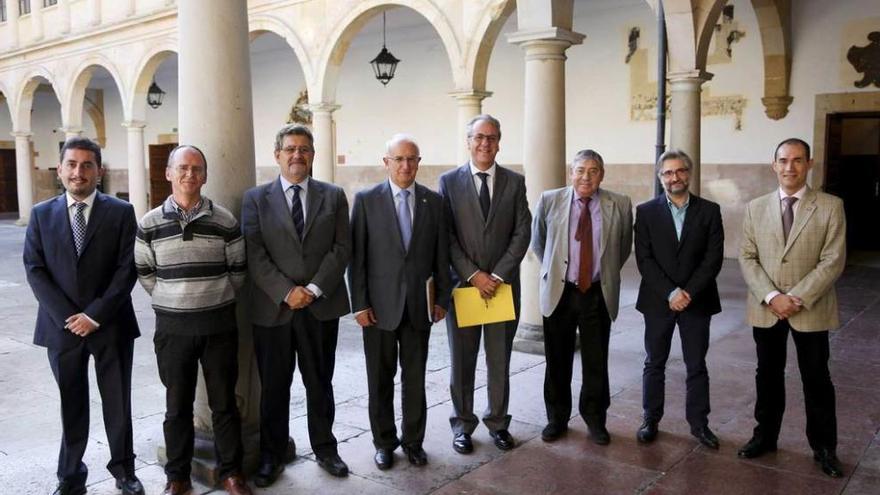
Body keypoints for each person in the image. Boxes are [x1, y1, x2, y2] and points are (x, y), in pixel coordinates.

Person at [23, 137, 144, 495]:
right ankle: (71, 476)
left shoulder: (121, 212)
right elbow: (35, 269)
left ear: (99, 171)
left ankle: (125, 471)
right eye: (71, 165)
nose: (79, 172)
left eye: (87, 165)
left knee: (118, 403)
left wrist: (94, 316)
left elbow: (127, 269)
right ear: (59, 169)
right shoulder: (41, 215)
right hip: (61, 331)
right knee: (71, 403)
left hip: (111, 326)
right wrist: (70, 317)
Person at [134, 145, 251, 495]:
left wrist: (211, 297)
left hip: (219, 327)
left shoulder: (225, 220)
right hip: (173, 330)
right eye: (182, 168)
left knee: (224, 404)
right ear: (168, 173)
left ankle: (232, 473)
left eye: (197, 168)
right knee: (177, 406)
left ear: (205, 175)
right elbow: (145, 273)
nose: (190, 174)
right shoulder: (149, 223)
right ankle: (178, 477)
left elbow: (238, 272)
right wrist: (175, 298)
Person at [241, 124, 351, 487]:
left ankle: (325, 448)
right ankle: (272, 455)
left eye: (304, 149)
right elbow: (254, 252)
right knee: (274, 386)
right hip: (274, 309)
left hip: (320, 307)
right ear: (277, 155)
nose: (297, 155)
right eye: (290, 149)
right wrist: (287, 292)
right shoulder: (255, 198)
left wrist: (315, 288)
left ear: (313, 155)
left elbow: (341, 248)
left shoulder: (333, 196)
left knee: (320, 381)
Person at [738, 138, 846, 478]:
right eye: (783, 160)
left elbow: (833, 260)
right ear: (774, 165)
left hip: (810, 309)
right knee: (767, 375)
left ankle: (824, 447)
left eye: (797, 160)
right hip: (766, 309)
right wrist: (772, 296)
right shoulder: (756, 207)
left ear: (809, 164)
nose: (790, 167)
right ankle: (765, 437)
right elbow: (747, 257)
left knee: (816, 378)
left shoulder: (830, 206)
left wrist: (795, 297)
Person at [348, 134, 452, 470]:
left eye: (412, 159)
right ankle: (384, 442)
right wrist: (360, 305)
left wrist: (442, 301)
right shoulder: (366, 200)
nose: (406, 165)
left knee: (415, 378)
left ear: (418, 163)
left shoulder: (433, 203)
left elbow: (442, 256)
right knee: (379, 379)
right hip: (378, 309)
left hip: (419, 308)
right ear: (386, 162)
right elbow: (357, 258)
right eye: (399, 159)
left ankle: (413, 442)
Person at [439, 114, 531, 454]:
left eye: (491, 137)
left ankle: (498, 423)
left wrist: (498, 274)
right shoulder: (449, 182)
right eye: (478, 137)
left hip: (502, 289)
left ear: (499, 142)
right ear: (468, 141)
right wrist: (473, 275)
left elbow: (523, 230)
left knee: (499, 361)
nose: (484, 143)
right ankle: (462, 424)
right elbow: (445, 235)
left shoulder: (514, 182)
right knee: (462, 361)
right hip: (464, 288)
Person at [530, 149, 632, 445]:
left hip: (597, 292)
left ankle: (595, 419)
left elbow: (622, 248)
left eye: (594, 170)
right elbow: (540, 243)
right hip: (561, 291)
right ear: (570, 172)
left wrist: (599, 273)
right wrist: (558, 272)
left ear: (602, 174)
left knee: (596, 360)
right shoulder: (550, 200)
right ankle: (556, 418)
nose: (586, 176)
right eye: (580, 170)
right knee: (557, 359)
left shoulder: (620, 204)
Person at [633, 149, 724, 449]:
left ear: (690, 173)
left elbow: (713, 259)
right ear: (660, 178)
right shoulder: (646, 212)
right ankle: (650, 419)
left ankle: (700, 424)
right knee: (654, 362)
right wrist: (671, 292)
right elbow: (644, 259)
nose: (675, 177)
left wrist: (688, 292)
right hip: (658, 300)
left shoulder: (710, 211)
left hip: (697, 300)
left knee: (696, 364)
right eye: (668, 173)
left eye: (680, 171)